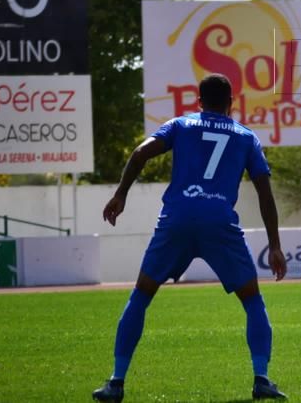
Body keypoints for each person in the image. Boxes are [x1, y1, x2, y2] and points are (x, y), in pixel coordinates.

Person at [92, 74, 288, 402]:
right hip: (219, 222)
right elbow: (265, 194)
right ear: (231, 102)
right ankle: (261, 379)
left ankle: (116, 382)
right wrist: (276, 246)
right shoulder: (246, 137)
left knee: (141, 295)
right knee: (252, 300)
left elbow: (140, 153)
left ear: (199, 101)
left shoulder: (181, 125)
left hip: (178, 219)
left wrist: (120, 195)